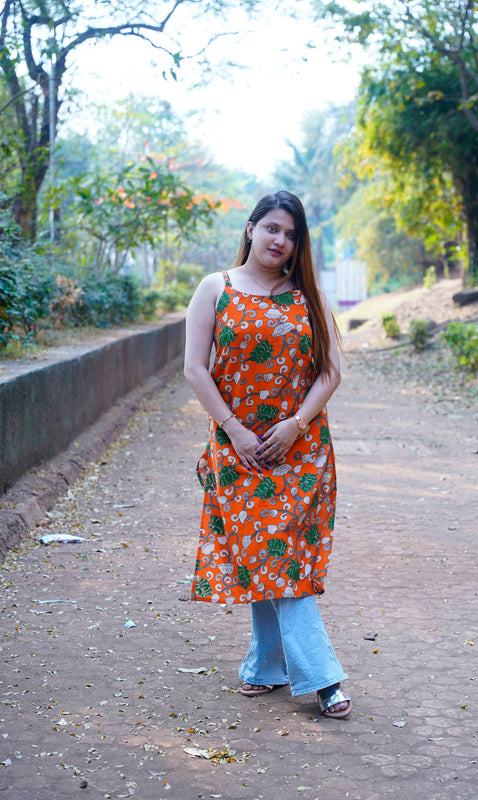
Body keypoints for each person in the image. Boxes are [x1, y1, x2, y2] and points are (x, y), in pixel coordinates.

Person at [184, 190, 350, 719]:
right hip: (240, 453)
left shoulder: (308, 295)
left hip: (300, 449)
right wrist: (233, 431)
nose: (281, 240)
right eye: (273, 228)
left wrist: (295, 425)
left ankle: (292, 673)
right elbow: (195, 368)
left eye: (292, 234)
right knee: (267, 553)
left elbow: (330, 372)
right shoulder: (217, 288)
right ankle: (297, 673)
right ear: (252, 229)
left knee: (281, 556)